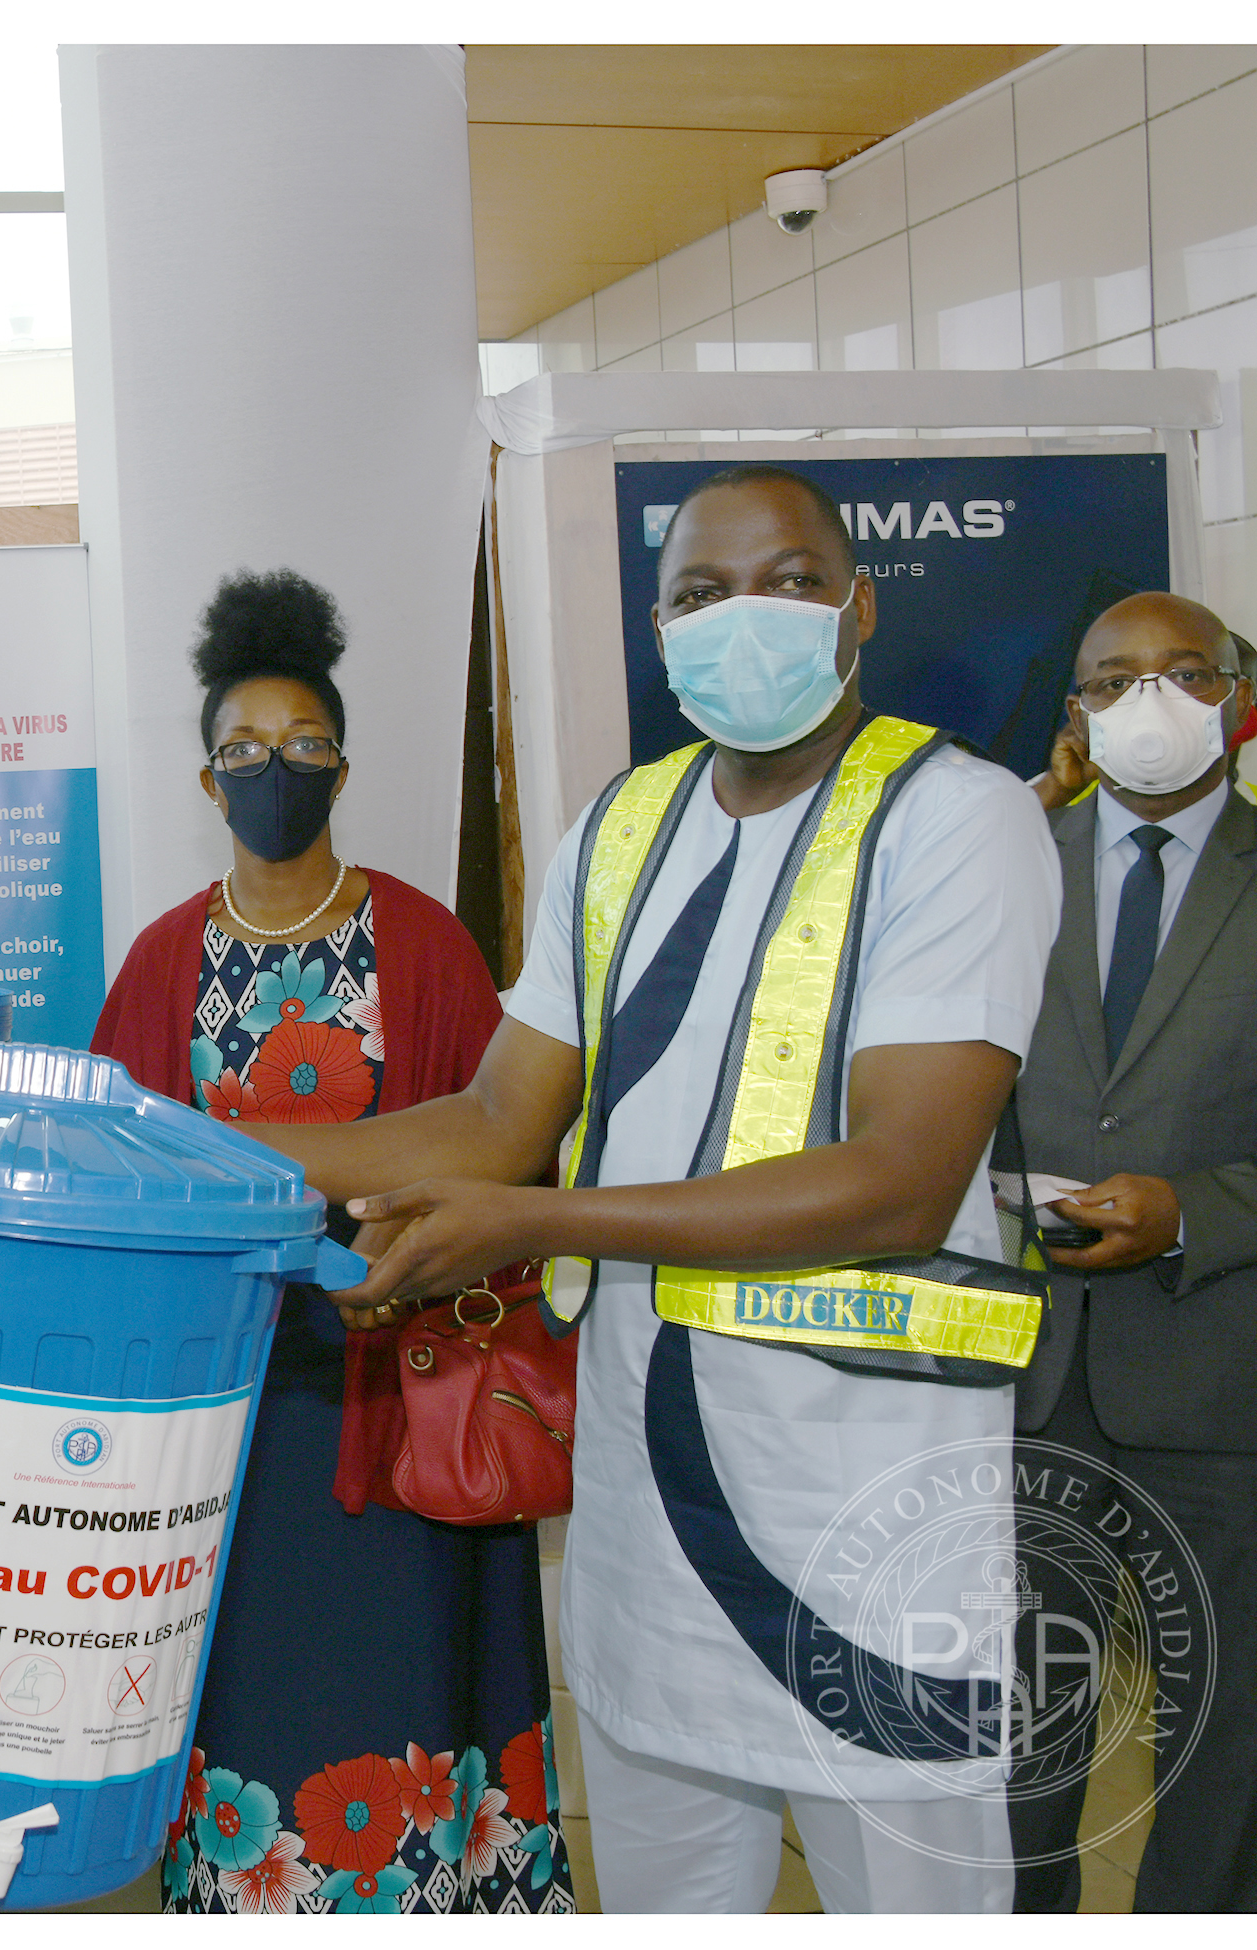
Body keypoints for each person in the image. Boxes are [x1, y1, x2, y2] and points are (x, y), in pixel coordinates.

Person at [257, 465, 1060, 1912]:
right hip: (650, 1483)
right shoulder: (622, 826)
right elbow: (501, 1116)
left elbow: (899, 1175)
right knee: (671, 1893)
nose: (744, 618)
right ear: (658, 627)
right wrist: (197, 1140)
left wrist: (540, 1221)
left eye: (793, 581)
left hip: (861, 1487)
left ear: (861, 606)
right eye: (699, 593)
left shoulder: (958, 816)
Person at [89, 571, 570, 1915]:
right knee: (252, 1700)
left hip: (400, 1403)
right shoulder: (158, 960)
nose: (275, 771)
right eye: (244, 751)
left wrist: (407, 1270)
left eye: (304, 747)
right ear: (206, 781)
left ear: (343, 766)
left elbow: (503, 1154)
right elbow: (115, 1193)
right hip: (232, 1427)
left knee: (413, 1694)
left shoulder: (423, 943)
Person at [1007, 594, 1257, 1912]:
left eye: (1182, 672)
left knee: (1223, 1739)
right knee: (1020, 1738)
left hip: (1220, 1376)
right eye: (1113, 677)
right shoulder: (1005, 865)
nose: (1148, 699)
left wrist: (1194, 1210)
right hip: (1026, 1375)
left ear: (1236, 696)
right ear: (1077, 714)